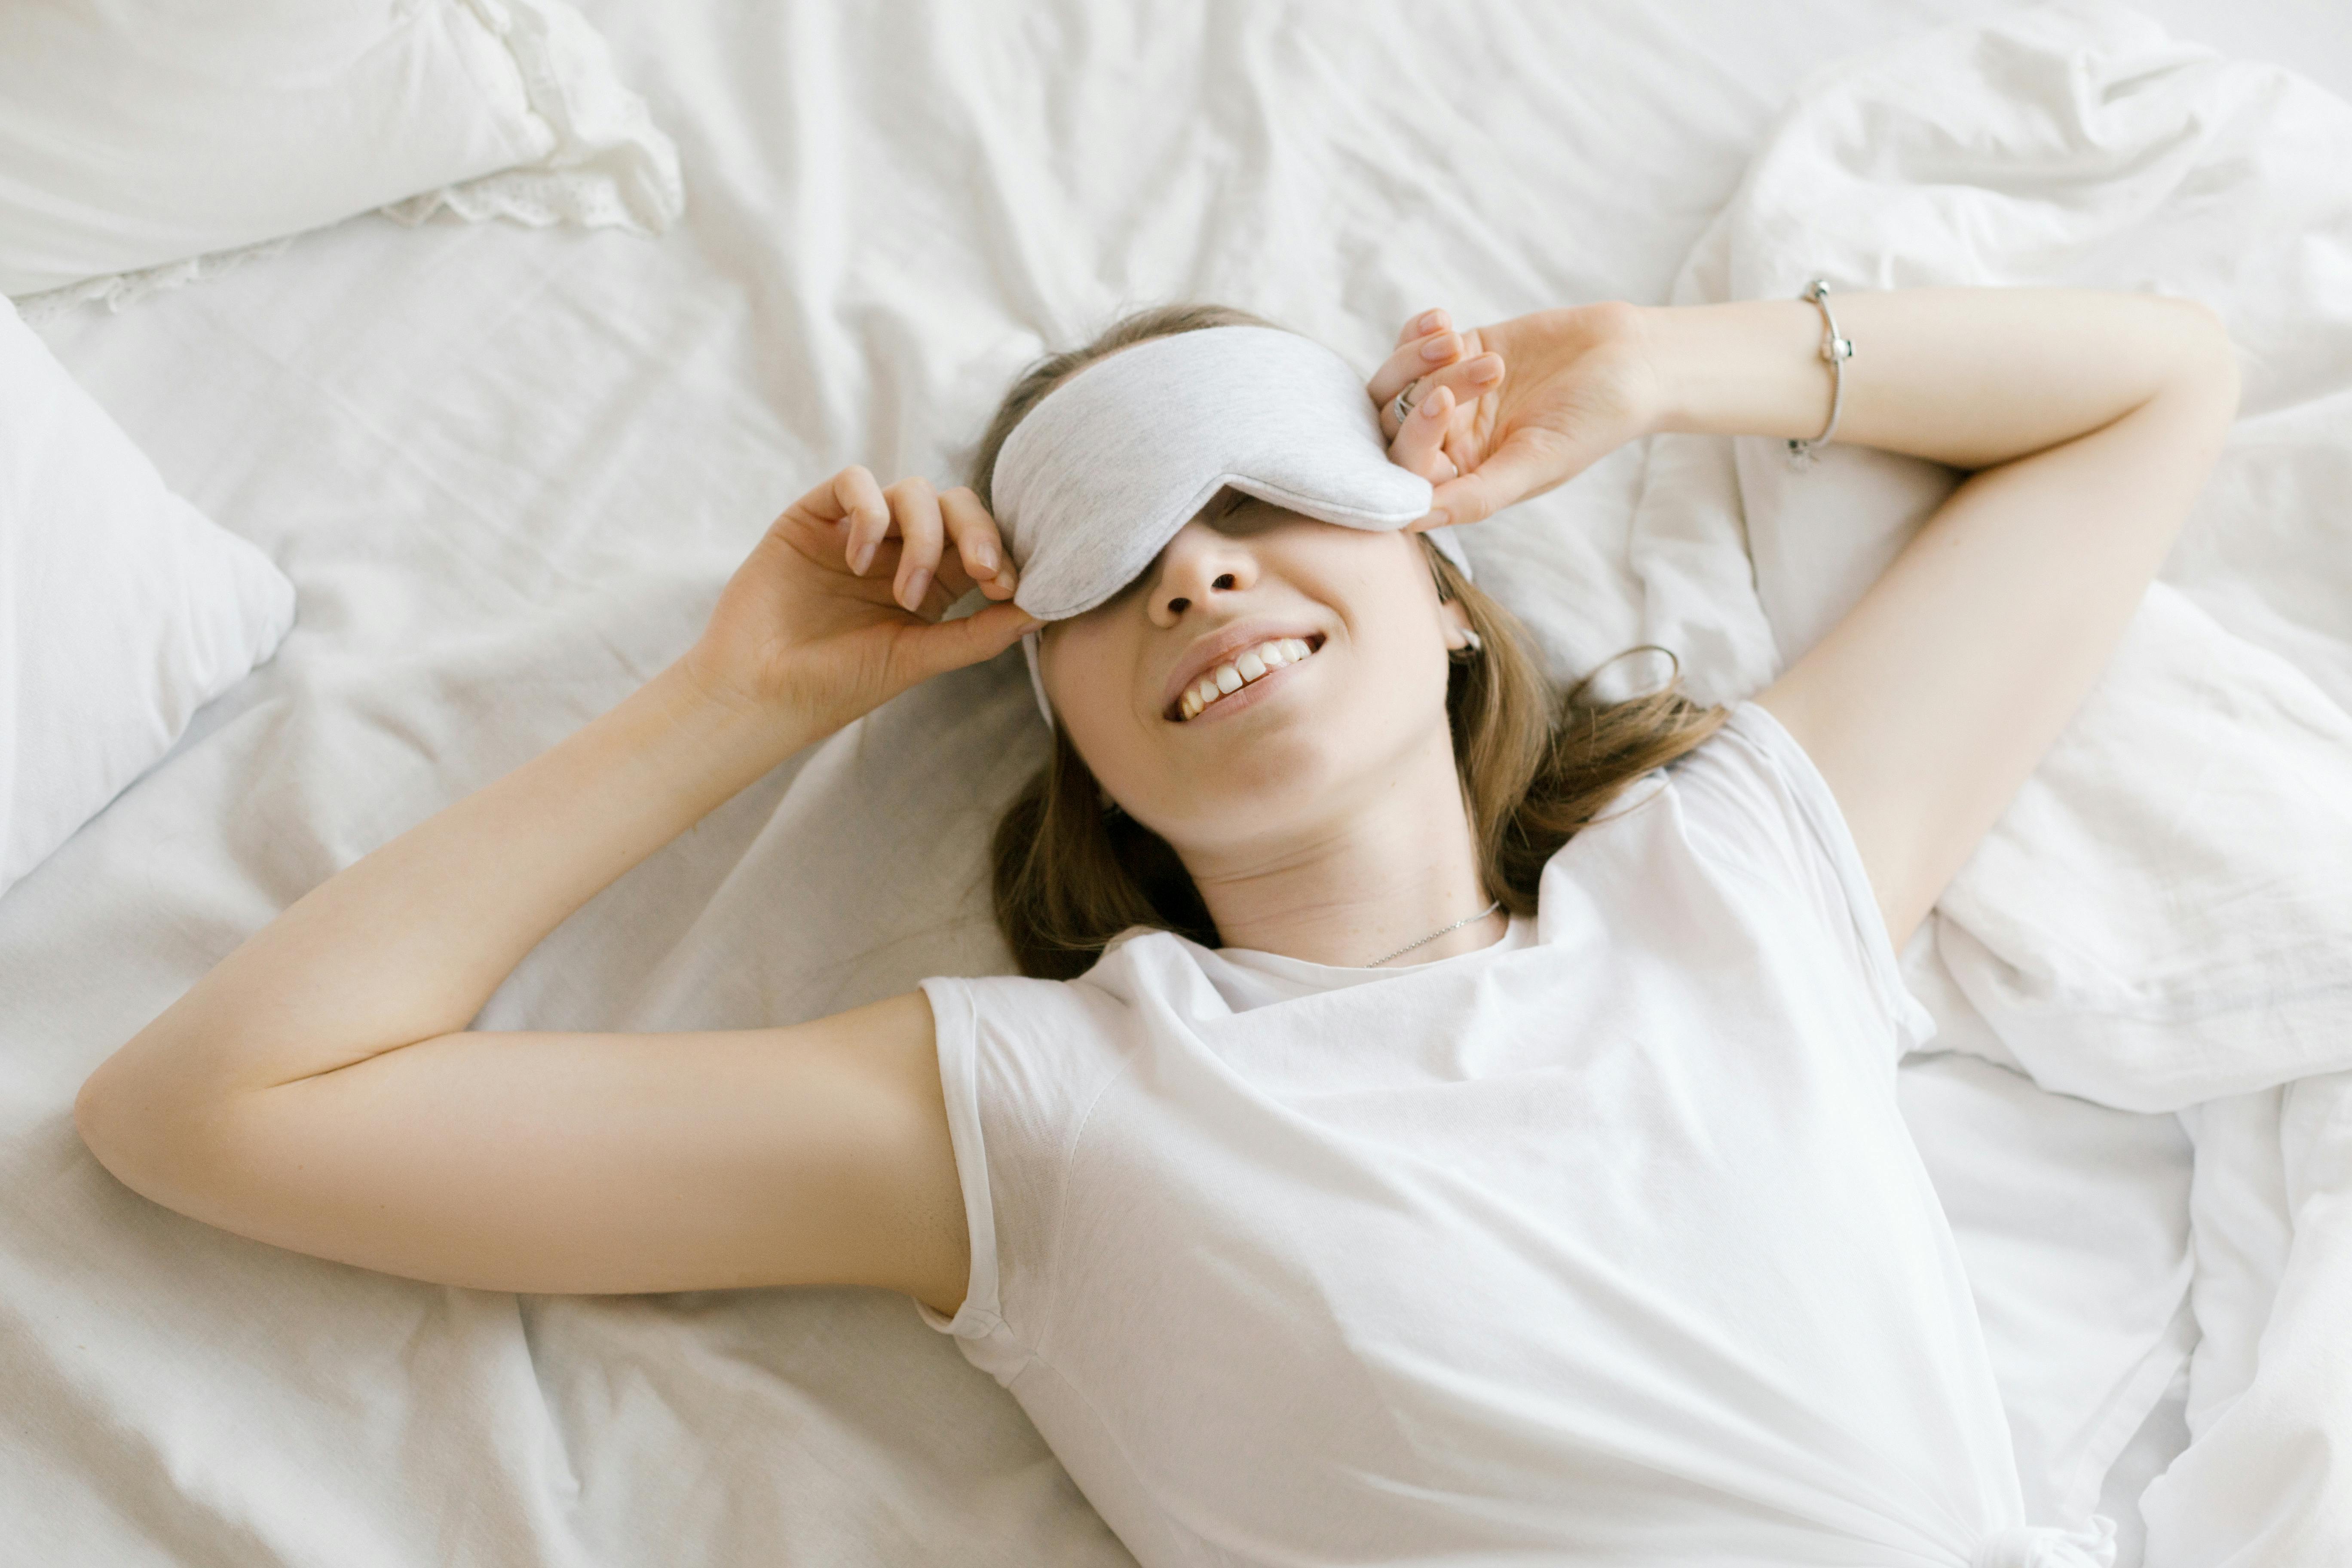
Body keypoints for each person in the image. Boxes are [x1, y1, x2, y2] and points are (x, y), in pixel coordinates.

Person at [74, 287, 2238, 1565]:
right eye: (1106, 570)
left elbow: (2156, 383)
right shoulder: (1063, 1103)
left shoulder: (1734, 877)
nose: (1197, 576)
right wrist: (744, 701)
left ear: (1453, 603)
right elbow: (211, 1108)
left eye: (1269, 501)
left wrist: (1657, 366)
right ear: (1075, 739)